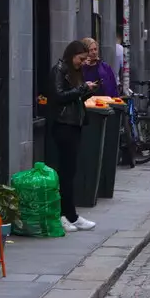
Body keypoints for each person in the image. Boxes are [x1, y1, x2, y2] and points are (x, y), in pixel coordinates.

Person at [49, 39, 101, 231]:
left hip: (74, 124)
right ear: (72, 55)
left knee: (70, 172)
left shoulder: (75, 72)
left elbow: (73, 98)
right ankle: (63, 214)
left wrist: (87, 90)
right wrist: (82, 89)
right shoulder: (59, 70)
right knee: (65, 173)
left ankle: (71, 214)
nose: (82, 62)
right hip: (63, 125)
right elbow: (59, 96)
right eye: (81, 58)